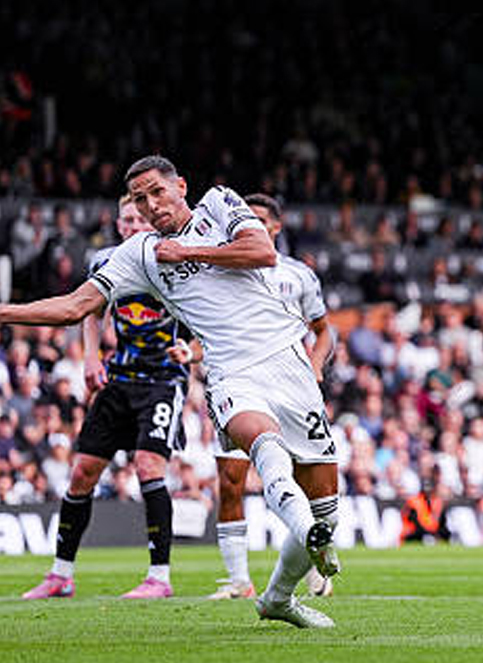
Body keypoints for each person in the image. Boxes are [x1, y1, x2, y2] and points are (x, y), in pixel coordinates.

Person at [0, 155, 341, 628]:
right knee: (265, 447)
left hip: (290, 365)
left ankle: (278, 599)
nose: (150, 206)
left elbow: (260, 251)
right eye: (139, 199)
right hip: (230, 371)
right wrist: (3, 311)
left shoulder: (219, 204)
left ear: (180, 186)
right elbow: (75, 306)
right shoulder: (138, 253)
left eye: (157, 192)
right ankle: (304, 530)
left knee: (330, 509)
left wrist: (188, 253)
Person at [167, 194, 335, 600]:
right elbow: (221, 332)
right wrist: (192, 352)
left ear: (274, 227)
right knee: (230, 481)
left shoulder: (298, 276)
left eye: (260, 220)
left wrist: (314, 366)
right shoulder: (218, 266)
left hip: (288, 384)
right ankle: (240, 580)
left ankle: (308, 556)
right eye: (249, 218)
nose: (252, 224)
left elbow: (324, 330)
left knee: (302, 479)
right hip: (239, 385)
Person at [21, 195, 188, 600]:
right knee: (81, 472)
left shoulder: (172, 260)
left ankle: (159, 578)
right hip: (120, 379)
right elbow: (91, 311)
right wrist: (92, 356)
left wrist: (194, 351)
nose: (133, 225)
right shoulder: (106, 261)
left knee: (148, 465)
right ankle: (61, 575)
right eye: (126, 219)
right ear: (117, 223)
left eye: (138, 219)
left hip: (164, 379)